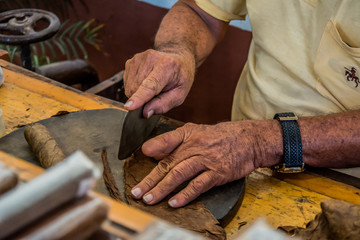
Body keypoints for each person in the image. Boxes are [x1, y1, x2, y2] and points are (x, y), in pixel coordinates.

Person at [122, 0, 360, 208]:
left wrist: (259, 143)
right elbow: (201, 11)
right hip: (235, 158)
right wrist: (178, 52)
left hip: (342, 185)